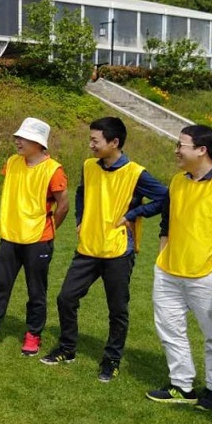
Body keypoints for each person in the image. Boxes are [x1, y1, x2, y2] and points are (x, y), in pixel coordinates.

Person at [43, 117, 168, 382]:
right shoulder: (89, 166)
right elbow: (81, 192)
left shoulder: (135, 173)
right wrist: (80, 219)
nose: (90, 145)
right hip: (88, 247)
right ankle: (67, 348)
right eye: (90, 139)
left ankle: (111, 360)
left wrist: (134, 213)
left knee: (117, 309)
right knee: (66, 298)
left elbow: (166, 197)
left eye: (95, 140)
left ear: (114, 142)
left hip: (118, 251)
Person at [146, 124, 212, 409]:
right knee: (170, 330)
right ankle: (182, 385)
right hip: (169, 271)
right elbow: (166, 224)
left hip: (208, 273)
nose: (176, 150)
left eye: (181, 145)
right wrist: (162, 258)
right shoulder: (177, 182)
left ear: (202, 150)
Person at [0, 117, 68, 355]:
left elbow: (63, 205)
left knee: (36, 291)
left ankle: (33, 334)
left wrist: (48, 229)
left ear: (39, 143)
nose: (18, 141)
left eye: (24, 138)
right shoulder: (12, 162)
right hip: (9, 236)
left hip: (38, 240)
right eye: (17, 137)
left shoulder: (54, 170)